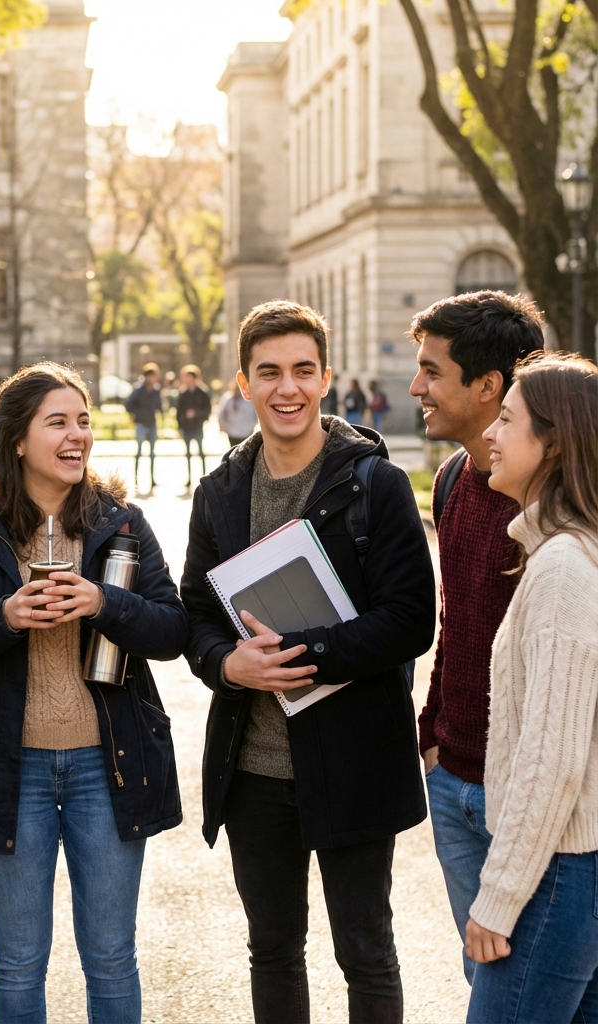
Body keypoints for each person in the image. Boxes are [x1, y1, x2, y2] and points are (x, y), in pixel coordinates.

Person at [181, 300, 435, 1024]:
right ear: (243, 383)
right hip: (253, 770)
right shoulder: (220, 493)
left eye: (302, 370)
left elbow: (411, 619)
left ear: (326, 379)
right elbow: (196, 609)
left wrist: (305, 653)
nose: (286, 388)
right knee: (273, 951)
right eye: (269, 373)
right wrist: (229, 665)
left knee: (366, 952)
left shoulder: (373, 486)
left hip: (354, 757)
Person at [0, 362, 186, 1024]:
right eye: (58, 422)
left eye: (84, 421)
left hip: (109, 765)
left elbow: (173, 629)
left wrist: (103, 602)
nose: (78, 436)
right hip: (10, 772)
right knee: (17, 961)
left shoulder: (121, 522)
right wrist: (4, 617)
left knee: (112, 957)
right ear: (17, 439)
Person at [408, 290, 544, 984]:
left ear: (488, 385)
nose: (416, 386)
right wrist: (432, 731)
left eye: (432, 371)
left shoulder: (554, 500)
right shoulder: (453, 477)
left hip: (527, 797)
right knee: (486, 982)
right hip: (454, 779)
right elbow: (455, 617)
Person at [465, 353, 598, 1024]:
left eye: (508, 420)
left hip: (557, 876)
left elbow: (551, 759)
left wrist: (500, 892)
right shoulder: (571, 554)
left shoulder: (563, 570)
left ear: (553, 443)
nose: (492, 431)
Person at [124, 362, 162, 491]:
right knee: (139, 453)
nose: (152, 379)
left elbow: (159, 406)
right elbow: (129, 404)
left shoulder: (156, 390)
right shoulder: (138, 390)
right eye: (150, 376)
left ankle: (152, 479)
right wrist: (137, 415)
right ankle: (136, 479)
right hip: (141, 424)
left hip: (152, 424)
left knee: (152, 454)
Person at [175, 364, 211, 488]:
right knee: (188, 454)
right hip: (186, 428)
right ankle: (189, 478)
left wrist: (196, 414)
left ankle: (205, 477)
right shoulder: (183, 394)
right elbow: (178, 412)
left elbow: (208, 409)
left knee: (201, 452)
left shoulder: (202, 393)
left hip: (197, 426)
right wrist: (179, 427)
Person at [218, 377, 258, 447]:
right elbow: (222, 413)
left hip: (247, 431)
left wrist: (254, 424)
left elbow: (256, 412)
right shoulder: (228, 398)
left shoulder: (250, 399)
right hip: (232, 431)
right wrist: (222, 425)